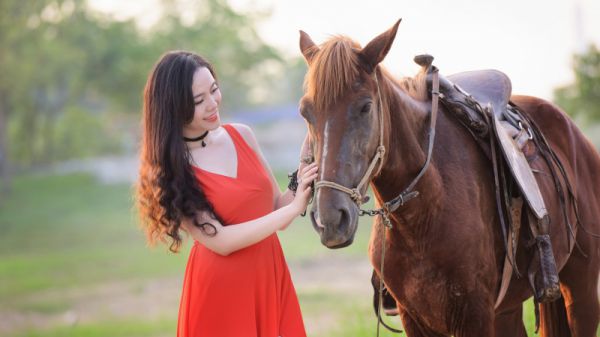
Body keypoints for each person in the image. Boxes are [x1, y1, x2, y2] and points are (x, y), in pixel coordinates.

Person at [136, 50, 316, 337]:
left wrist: (302, 167)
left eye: (214, 90)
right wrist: (292, 209)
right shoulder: (172, 169)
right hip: (222, 293)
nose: (212, 104)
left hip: (268, 274)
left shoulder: (242, 135)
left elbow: (278, 212)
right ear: (174, 108)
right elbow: (221, 241)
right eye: (198, 101)